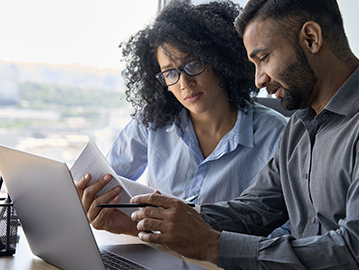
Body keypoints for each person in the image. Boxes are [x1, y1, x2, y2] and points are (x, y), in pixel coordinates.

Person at [78, 0, 359, 268]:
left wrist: (213, 246)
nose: (258, 79)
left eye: (263, 58)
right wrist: (145, 222)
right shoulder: (301, 127)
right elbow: (253, 211)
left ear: (311, 38)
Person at [85, 0, 286, 205]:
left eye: (193, 64)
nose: (184, 83)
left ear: (221, 62)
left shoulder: (276, 133)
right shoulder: (151, 124)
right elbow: (106, 181)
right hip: (148, 238)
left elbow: (287, 226)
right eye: (170, 73)